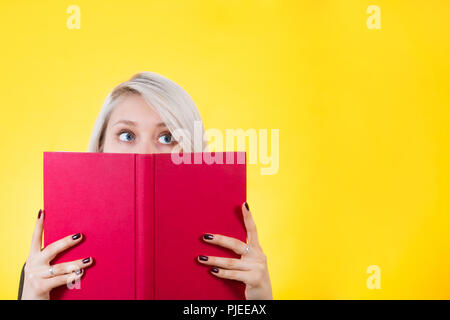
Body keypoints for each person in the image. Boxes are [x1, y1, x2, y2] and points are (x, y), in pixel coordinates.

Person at [18, 72, 273, 300]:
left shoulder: (232, 262)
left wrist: (259, 301)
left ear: (191, 152)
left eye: (167, 137)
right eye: (127, 135)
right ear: (100, 147)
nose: (145, 153)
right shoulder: (47, 270)